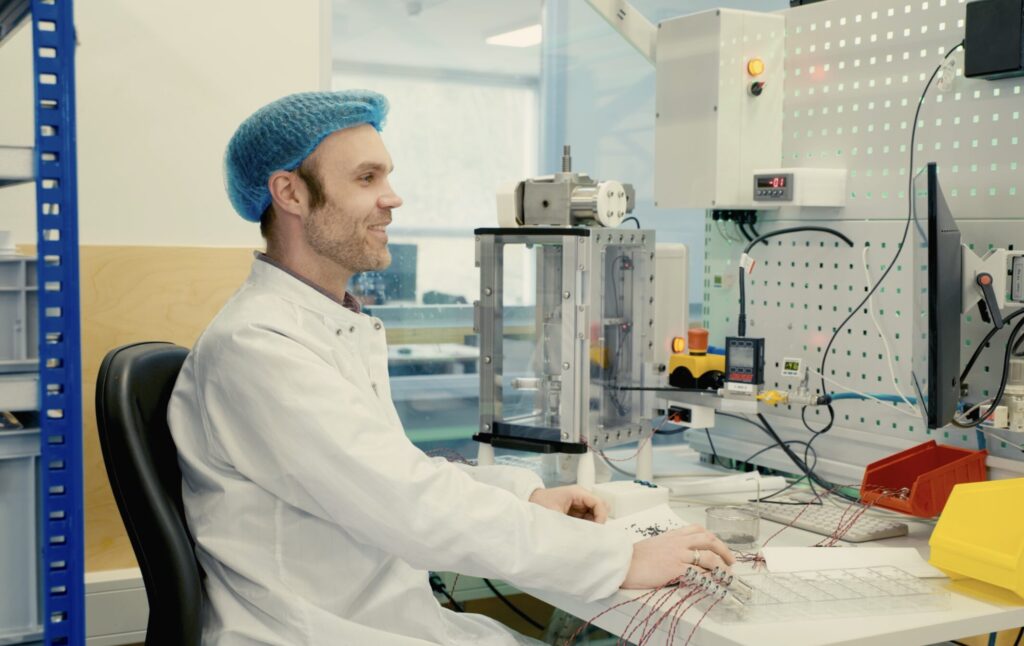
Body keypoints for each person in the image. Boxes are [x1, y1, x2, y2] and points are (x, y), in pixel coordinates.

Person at [167, 90, 735, 645]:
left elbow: (397, 474)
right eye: (367, 179)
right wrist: (618, 558)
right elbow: (409, 505)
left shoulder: (324, 325)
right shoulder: (258, 347)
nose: (392, 198)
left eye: (386, 176)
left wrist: (524, 494)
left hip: (382, 618)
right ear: (290, 193)